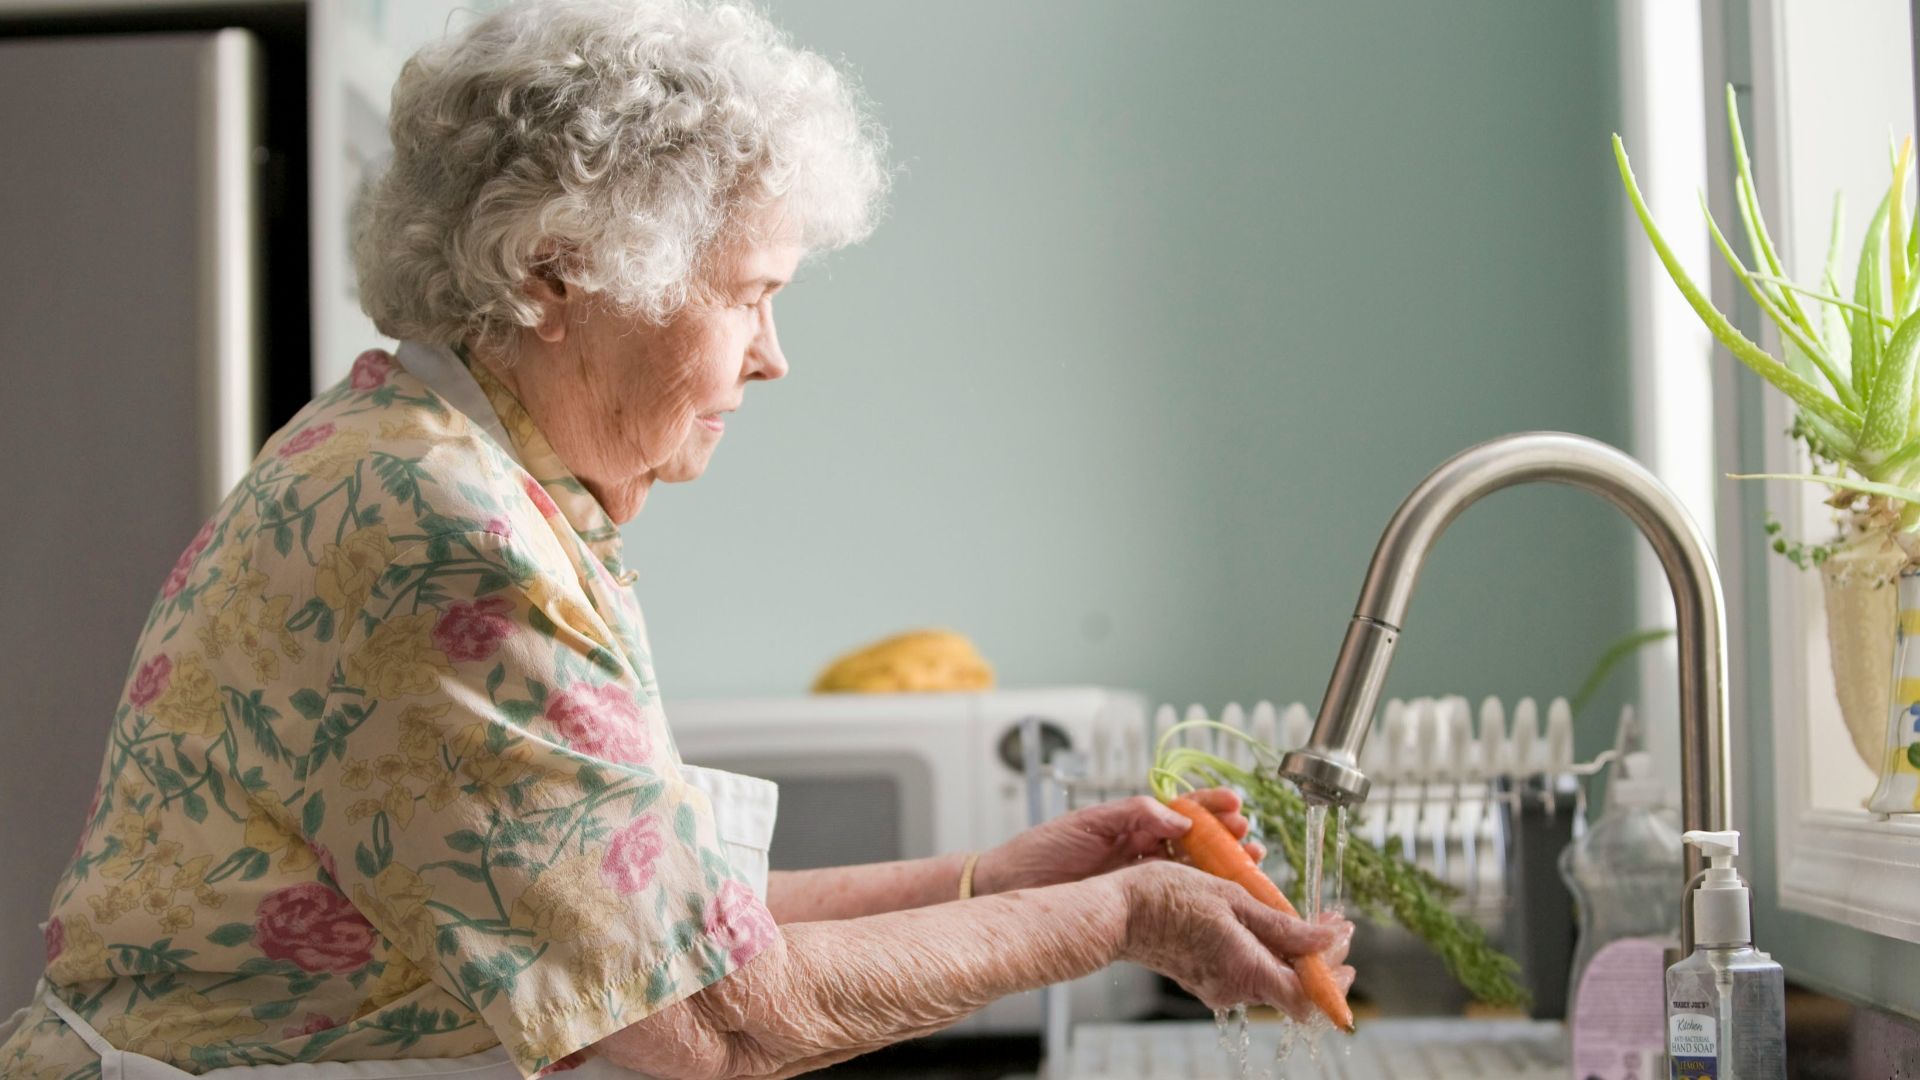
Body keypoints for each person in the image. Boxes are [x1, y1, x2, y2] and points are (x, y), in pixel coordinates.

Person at [0, 2, 1353, 1077]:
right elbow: (713, 1021)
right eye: (749, 295)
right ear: (557, 273)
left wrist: (997, 876)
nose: (774, 358)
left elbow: (645, 925)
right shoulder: (437, 535)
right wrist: (1123, 919)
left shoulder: (449, 474)